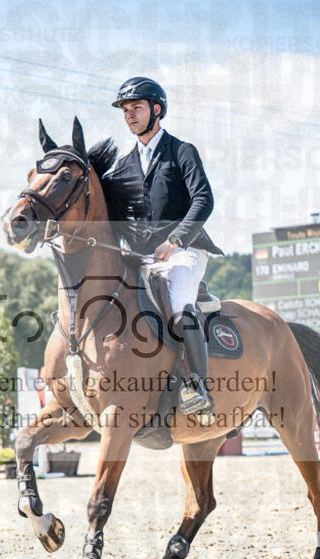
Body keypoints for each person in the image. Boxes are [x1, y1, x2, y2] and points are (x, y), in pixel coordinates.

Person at [111, 77, 223, 424]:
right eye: (126, 111)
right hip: (144, 257)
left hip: (184, 251)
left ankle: (198, 388)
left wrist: (175, 240)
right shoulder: (125, 165)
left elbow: (204, 199)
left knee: (178, 303)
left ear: (157, 110)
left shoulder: (181, 151)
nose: (130, 116)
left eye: (137, 108)